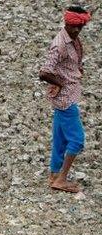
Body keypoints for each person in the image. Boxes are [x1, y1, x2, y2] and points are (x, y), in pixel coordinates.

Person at [39, 6, 91, 193]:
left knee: (60, 138)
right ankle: (61, 179)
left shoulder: (72, 40)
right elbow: (44, 72)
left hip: (65, 97)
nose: (76, 30)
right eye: (73, 26)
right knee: (77, 140)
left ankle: (54, 174)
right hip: (66, 99)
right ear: (66, 22)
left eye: (80, 26)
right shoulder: (60, 44)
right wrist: (61, 83)